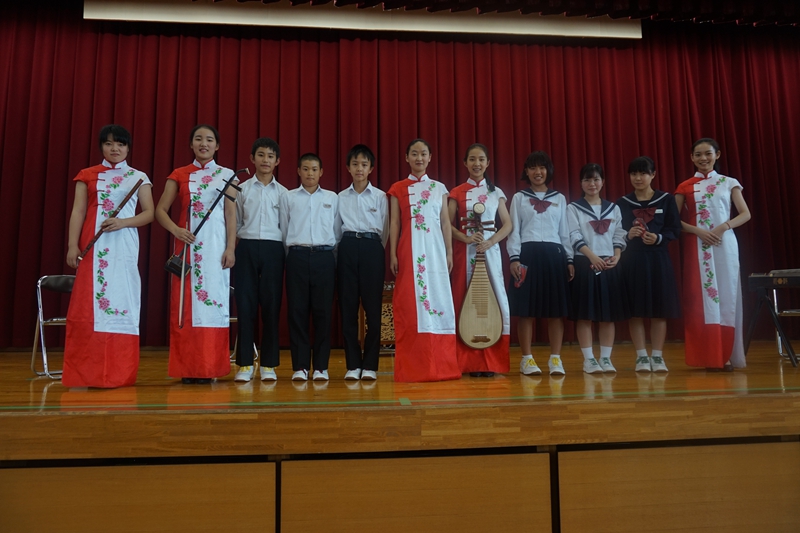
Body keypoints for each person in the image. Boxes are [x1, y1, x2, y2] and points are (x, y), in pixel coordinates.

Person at [63, 125, 154, 388]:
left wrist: (123, 222)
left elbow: (149, 213)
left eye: (120, 144)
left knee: (122, 300)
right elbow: (78, 211)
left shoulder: (139, 177)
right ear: (101, 146)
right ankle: (86, 372)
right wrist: (72, 245)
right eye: (109, 143)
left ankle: (119, 372)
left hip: (123, 247)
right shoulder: (87, 175)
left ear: (128, 148)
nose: (115, 149)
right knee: (88, 304)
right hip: (93, 248)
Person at [155, 124, 236, 384]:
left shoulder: (227, 175)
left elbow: (231, 215)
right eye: (198, 139)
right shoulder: (179, 174)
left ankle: (210, 366)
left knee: (212, 305)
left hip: (216, 250)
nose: (204, 143)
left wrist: (231, 248)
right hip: (187, 249)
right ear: (191, 144)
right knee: (185, 306)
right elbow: (160, 210)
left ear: (217, 146)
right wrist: (176, 230)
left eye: (209, 139)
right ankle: (187, 368)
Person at [387, 139, 460, 382]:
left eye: (423, 154)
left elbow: (445, 223)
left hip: (436, 252)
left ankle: (442, 365)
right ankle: (413, 366)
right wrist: (393, 253)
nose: (419, 158)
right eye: (414, 154)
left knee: (438, 300)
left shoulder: (440, 188)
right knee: (410, 304)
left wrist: (449, 252)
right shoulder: (397, 188)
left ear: (430, 158)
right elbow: (394, 223)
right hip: (409, 251)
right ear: (406, 157)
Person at [675, 138, 751, 370]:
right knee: (700, 300)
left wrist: (723, 227)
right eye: (698, 154)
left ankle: (726, 354)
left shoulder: (729, 183)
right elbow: (673, 221)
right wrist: (697, 231)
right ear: (691, 158)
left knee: (727, 296)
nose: (703, 158)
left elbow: (745, 213)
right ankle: (708, 354)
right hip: (696, 246)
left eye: (708, 153)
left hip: (724, 244)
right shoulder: (685, 186)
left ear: (717, 155)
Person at [507, 151, 574, 376]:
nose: (538, 172)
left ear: (548, 171)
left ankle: (555, 358)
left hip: (554, 256)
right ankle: (526, 359)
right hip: (528, 255)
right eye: (533, 168)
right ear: (526, 171)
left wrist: (569, 259)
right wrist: (514, 258)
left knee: (556, 311)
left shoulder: (560, 198)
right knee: (526, 310)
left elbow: (564, 232)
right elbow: (514, 231)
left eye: (542, 167)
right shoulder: (518, 198)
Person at [449, 143, 512, 377]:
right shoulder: (456, 192)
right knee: (464, 300)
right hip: (464, 254)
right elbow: (446, 224)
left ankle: (491, 362)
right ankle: (468, 362)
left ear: (487, 163)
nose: (477, 163)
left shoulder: (497, 192)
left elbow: (508, 224)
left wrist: (491, 241)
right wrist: (465, 238)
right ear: (465, 163)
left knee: (495, 300)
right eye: (472, 159)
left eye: (481, 159)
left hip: (490, 253)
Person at [279, 153, 341, 381]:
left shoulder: (333, 198)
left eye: (314, 169)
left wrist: (330, 256)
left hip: (325, 258)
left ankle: (321, 367)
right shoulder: (288, 197)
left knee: (323, 313)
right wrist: (293, 253)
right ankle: (300, 366)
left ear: (321, 172)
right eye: (305, 169)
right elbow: (284, 229)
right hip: (296, 256)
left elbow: (337, 231)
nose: (310, 173)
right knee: (297, 312)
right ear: (298, 171)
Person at [617, 156, 681, 372]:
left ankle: (658, 356)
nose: (638, 178)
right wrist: (628, 235)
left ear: (653, 175)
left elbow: (675, 229)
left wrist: (659, 238)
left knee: (659, 310)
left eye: (643, 173)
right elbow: (614, 232)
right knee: (635, 310)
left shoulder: (666, 199)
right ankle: (641, 356)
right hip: (632, 261)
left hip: (658, 259)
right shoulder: (622, 203)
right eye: (634, 174)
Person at [232, 137, 287, 383]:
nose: (266, 160)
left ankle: (268, 364)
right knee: (245, 306)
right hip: (246, 247)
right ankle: (245, 364)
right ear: (252, 159)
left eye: (270, 156)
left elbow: (286, 227)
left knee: (271, 307)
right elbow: (236, 222)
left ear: (277, 161)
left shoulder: (284, 193)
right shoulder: (241, 189)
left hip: (274, 250)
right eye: (261, 155)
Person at [567, 163, 628, 374]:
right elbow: (573, 234)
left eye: (596, 179)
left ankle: (606, 358)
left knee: (608, 315)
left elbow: (619, 234)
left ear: (603, 182)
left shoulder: (614, 208)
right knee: (585, 314)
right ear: (581, 183)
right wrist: (592, 256)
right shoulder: (573, 208)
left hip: (610, 264)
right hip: (585, 263)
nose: (591, 184)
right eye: (587, 179)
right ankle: (589, 360)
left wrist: (617, 256)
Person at [337, 144, 388, 382]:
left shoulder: (380, 197)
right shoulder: (339, 197)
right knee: (348, 308)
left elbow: (385, 230)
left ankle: (370, 365)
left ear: (371, 168)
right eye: (355, 164)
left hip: (372, 248)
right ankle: (353, 364)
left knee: (373, 309)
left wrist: (374, 249)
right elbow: (336, 230)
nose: (359, 168)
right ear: (348, 167)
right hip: (347, 247)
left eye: (364, 164)